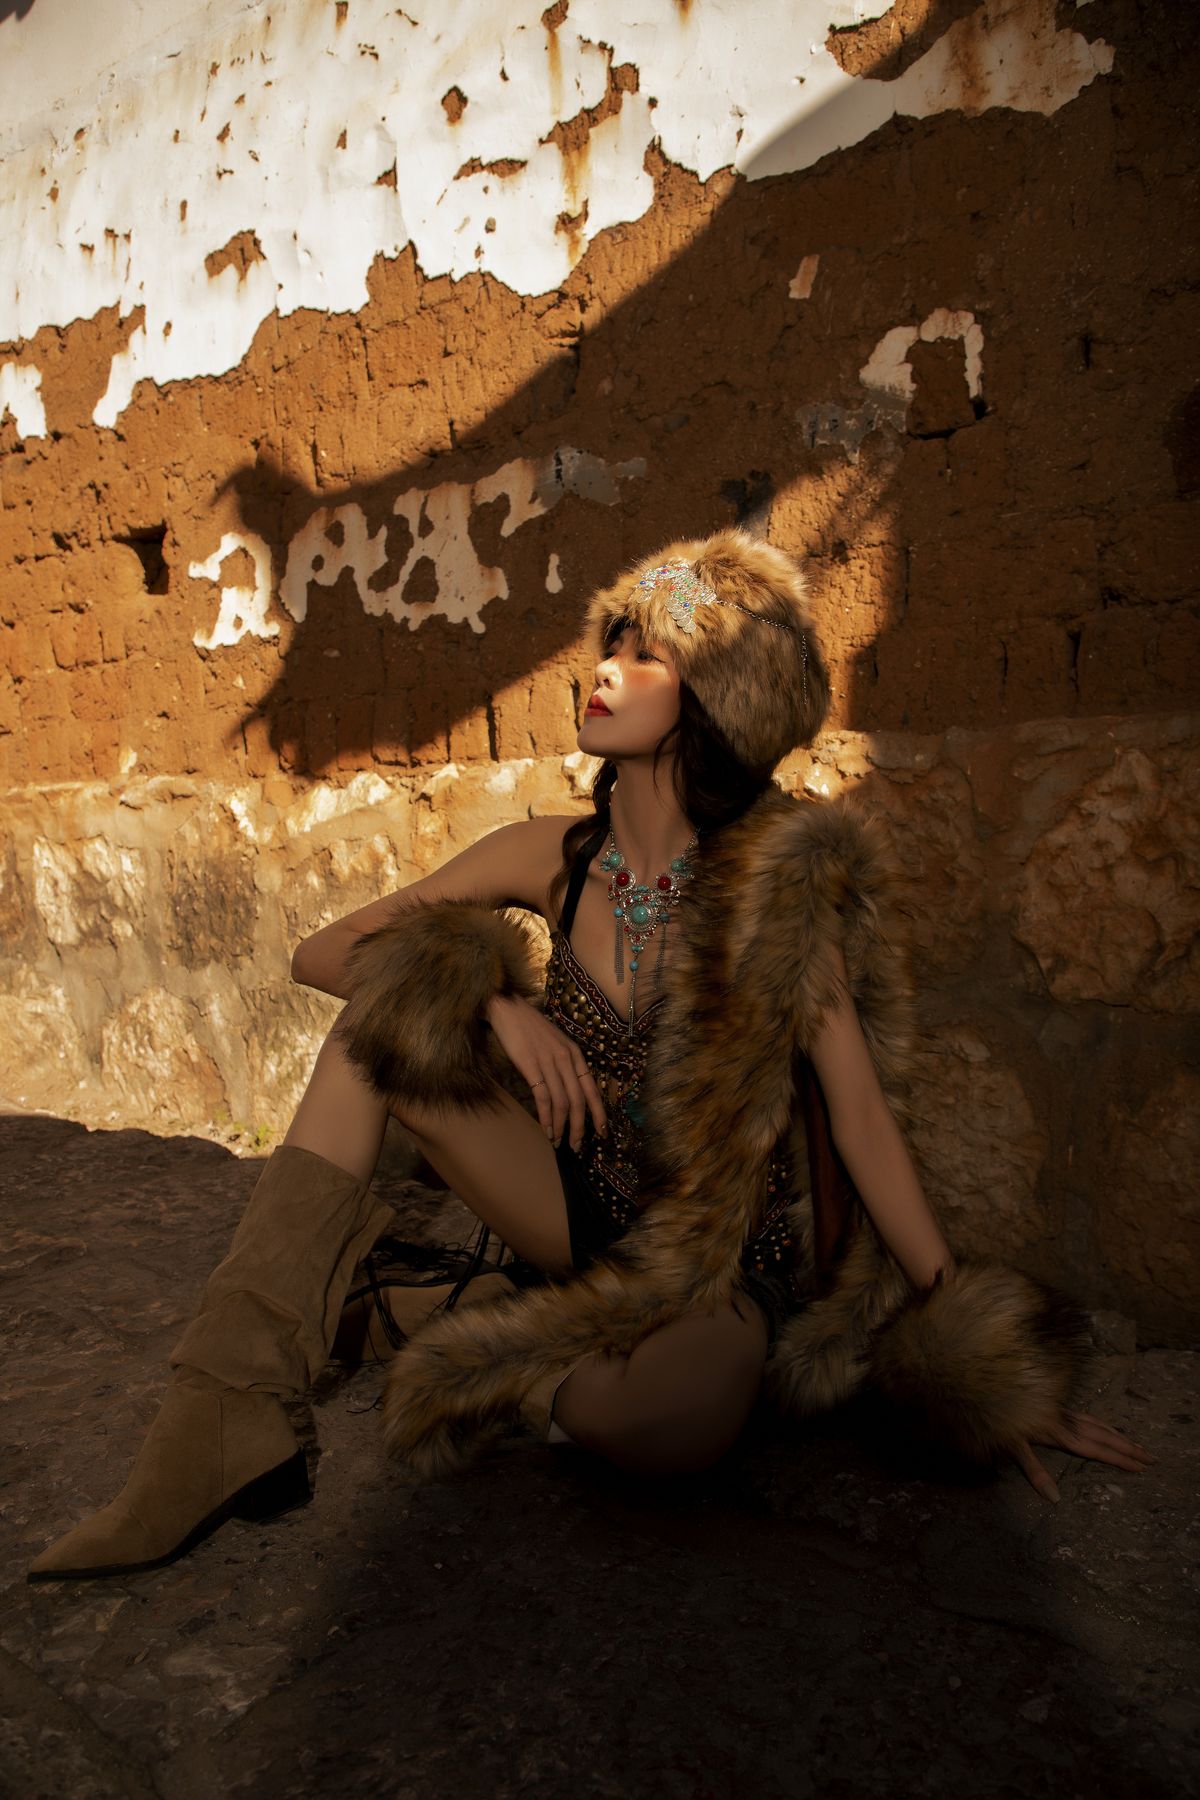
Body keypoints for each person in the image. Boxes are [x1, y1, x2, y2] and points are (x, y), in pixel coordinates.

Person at [28, 530, 1153, 1583]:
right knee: (374, 1037)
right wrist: (488, 999)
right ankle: (223, 1412)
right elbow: (322, 952)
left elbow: (859, 1117)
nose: (606, 669)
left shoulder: (773, 891)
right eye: (610, 643)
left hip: (714, 1265)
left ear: (714, 701)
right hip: (571, 1206)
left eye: (647, 653)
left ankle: (490, 1343)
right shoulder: (548, 857)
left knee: (679, 1421)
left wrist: (975, 1353)